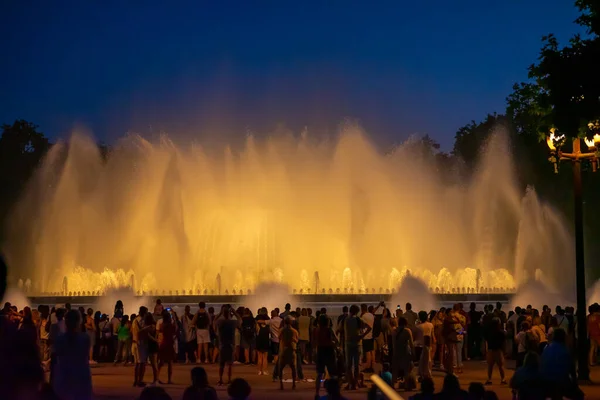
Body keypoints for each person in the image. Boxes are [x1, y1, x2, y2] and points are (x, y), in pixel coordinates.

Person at [53, 310, 92, 400]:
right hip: (81, 374)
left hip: (64, 374)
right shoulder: (85, 338)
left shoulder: (60, 339)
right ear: (79, 321)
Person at [540, 328, 582, 400]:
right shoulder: (565, 350)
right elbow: (572, 370)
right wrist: (575, 384)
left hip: (545, 382)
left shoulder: (546, 349)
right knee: (579, 395)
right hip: (561, 381)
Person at [344, 304, 370, 390]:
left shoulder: (346, 320)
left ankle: (350, 383)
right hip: (357, 344)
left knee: (348, 365)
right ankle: (354, 384)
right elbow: (369, 327)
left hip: (348, 344)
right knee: (356, 365)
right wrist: (362, 336)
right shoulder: (358, 319)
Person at [215, 305, 241, 385]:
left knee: (221, 364)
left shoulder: (220, 322)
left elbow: (214, 321)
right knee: (230, 364)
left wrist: (220, 313)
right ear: (230, 313)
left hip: (222, 344)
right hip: (230, 345)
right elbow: (240, 319)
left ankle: (220, 379)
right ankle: (229, 380)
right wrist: (234, 312)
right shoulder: (232, 322)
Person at [314, 313, 339, 397]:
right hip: (329, 351)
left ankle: (317, 393)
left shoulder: (317, 330)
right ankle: (333, 392)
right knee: (332, 373)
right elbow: (336, 340)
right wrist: (334, 344)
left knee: (319, 373)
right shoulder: (329, 329)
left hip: (320, 350)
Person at [393, 317, 415, 390]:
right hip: (405, 351)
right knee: (406, 370)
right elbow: (411, 343)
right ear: (406, 323)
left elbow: (393, 344)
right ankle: (406, 385)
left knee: (395, 369)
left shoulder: (394, 331)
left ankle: (393, 385)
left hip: (397, 351)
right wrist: (413, 352)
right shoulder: (408, 331)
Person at [278, 315, 299, 390]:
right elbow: (297, 340)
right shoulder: (294, 331)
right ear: (291, 322)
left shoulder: (281, 330)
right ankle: (293, 384)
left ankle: (281, 384)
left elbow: (279, 338)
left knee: (281, 368)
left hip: (283, 350)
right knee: (293, 368)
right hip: (292, 350)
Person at [484, 318, 506, 385]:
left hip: (490, 350)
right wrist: (504, 351)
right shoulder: (501, 332)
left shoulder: (488, 332)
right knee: (501, 366)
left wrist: (486, 350)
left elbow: (486, 341)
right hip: (498, 350)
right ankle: (503, 379)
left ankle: (489, 379)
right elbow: (503, 343)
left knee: (490, 366)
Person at [132, 306, 150, 387]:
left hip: (134, 343)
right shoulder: (141, 320)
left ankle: (136, 380)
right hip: (140, 343)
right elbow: (140, 331)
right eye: (146, 312)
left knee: (137, 363)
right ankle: (140, 380)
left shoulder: (134, 320)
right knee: (142, 363)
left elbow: (132, 331)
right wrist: (147, 328)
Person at [157, 310, 176, 384]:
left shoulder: (162, 325)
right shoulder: (170, 325)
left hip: (163, 343)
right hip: (169, 344)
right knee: (170, 363)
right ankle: (169, 379)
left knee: (161, 363)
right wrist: (174, 316)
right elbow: (175, 329)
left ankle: (157, 377)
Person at [416, 310, 433, 380]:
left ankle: (422, 374)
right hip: (428, 343)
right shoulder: (430, 325)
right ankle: (428, 373)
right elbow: (432, 336)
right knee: (428, 359)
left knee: (421, 360)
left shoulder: (418, 326)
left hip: (420, 344)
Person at [360, 303, 375, 372]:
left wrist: (362, 334)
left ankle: (368, 367)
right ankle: (372, 366)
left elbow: (361, 325)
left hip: (366, 336)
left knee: (367, 352)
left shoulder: (363, 316)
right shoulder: (371, 315)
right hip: (371, 335)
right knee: (371, 351)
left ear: (362, 309)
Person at [255, 308, 270, 375]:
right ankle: (264, 371)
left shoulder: (257, 320)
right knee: (265, 357)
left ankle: (259, 371)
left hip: (259, 339)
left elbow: (256, 330)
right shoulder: (268, 319)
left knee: (259, 356)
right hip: (266, 339)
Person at [145, 313, 159, 384]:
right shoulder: (154, 325)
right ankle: (156, 379)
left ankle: (155, 379)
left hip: (151, 345)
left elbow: (148, 336)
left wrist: (154, 339)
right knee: (154, 363)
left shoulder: (148, 327)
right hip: (155, 345)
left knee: (153, 364)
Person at [270, 308, 282, 380]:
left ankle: (276, 368)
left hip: (274, 340)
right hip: (281, 340)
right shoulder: (281, 320)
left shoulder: (271, 321)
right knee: (280, 354)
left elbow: (264, 322)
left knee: (275, 355)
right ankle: (279, 368)